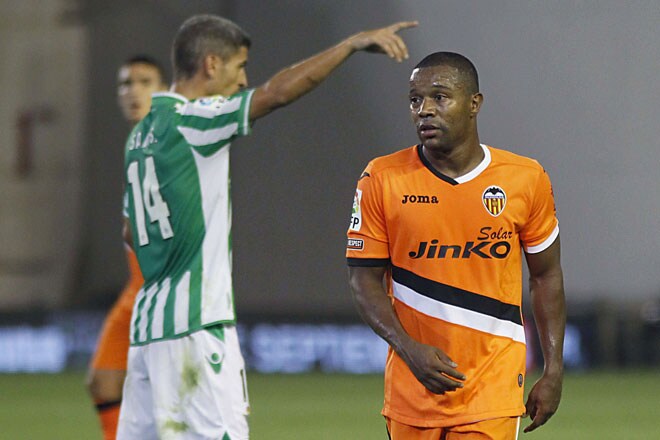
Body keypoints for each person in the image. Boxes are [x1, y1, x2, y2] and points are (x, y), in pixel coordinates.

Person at [117, 14, 417, 440]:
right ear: (211, 65)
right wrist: (349, 45)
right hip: (196, 330)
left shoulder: (141, 134)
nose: (243, 80)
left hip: (148, 333)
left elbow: (132, 231)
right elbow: (275, 94)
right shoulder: (195, 122)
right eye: (239, 67)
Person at [346, 52, 565, 439]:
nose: (424, 110)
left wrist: (553, 371)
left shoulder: (524, 179)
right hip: (412, 391)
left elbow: (546, 276)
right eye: (415, 100)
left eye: (440, 97)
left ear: (474, 104)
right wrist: (408, 348)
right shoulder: (381, 178)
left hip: (492, 391)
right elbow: (364, 279)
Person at [86, 54, 167, 440]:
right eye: (125, 83)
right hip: (135, 289)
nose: (133, 91)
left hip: (162, 291)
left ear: (165, 90)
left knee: (171, 406)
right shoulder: (137, 143)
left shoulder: (169, 141)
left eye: (145, 81)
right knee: (103, 382)